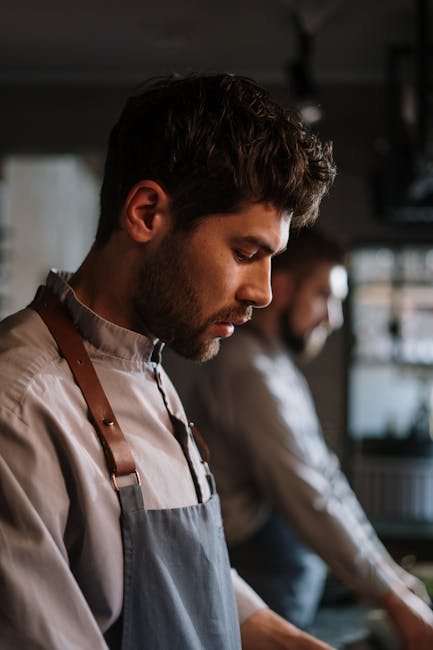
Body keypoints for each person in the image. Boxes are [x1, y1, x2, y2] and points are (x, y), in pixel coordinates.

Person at [0, 74, 337, 650]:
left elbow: (185, 577)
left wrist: (295, 643)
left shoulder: (147, 365)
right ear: (147, 212)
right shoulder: (20, 406)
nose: (264, 292)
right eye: (246, 253)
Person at [187, 227, 433, 650]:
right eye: (324, 296)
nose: (333, 318)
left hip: (292, 585)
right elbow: (310, 498)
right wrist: (393, 601)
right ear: (282, 288)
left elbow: (330, 482)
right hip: (259, 589)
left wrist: (393, 576)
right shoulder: (250, 375)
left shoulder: (277, 365)